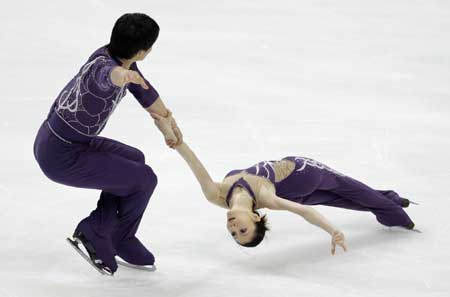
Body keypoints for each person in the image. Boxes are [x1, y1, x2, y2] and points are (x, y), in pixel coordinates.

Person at [33, 13, 182, 275]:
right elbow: (107, 77)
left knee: (135, 160)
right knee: (144, 179)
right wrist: (120, 76)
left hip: (64, 141)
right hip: (61, 155)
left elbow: (145, 92)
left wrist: (168, 122)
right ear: (143, 51)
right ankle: (95, 231)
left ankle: (117, 235)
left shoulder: (112, 55)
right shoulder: (107, 69)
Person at [151, 112, 416, 254]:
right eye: (242, 232)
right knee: (354, 200)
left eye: (234, 234)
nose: (234, 229)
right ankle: (401, 217)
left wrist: (175, 138)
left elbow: (194, 164)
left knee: (365, 195)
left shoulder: (216, 195)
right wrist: (332, 230)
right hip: (306, 185)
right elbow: (304, 212)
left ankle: (392, 206)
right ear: (255, 219)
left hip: (305, 176)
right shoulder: (265, 197)